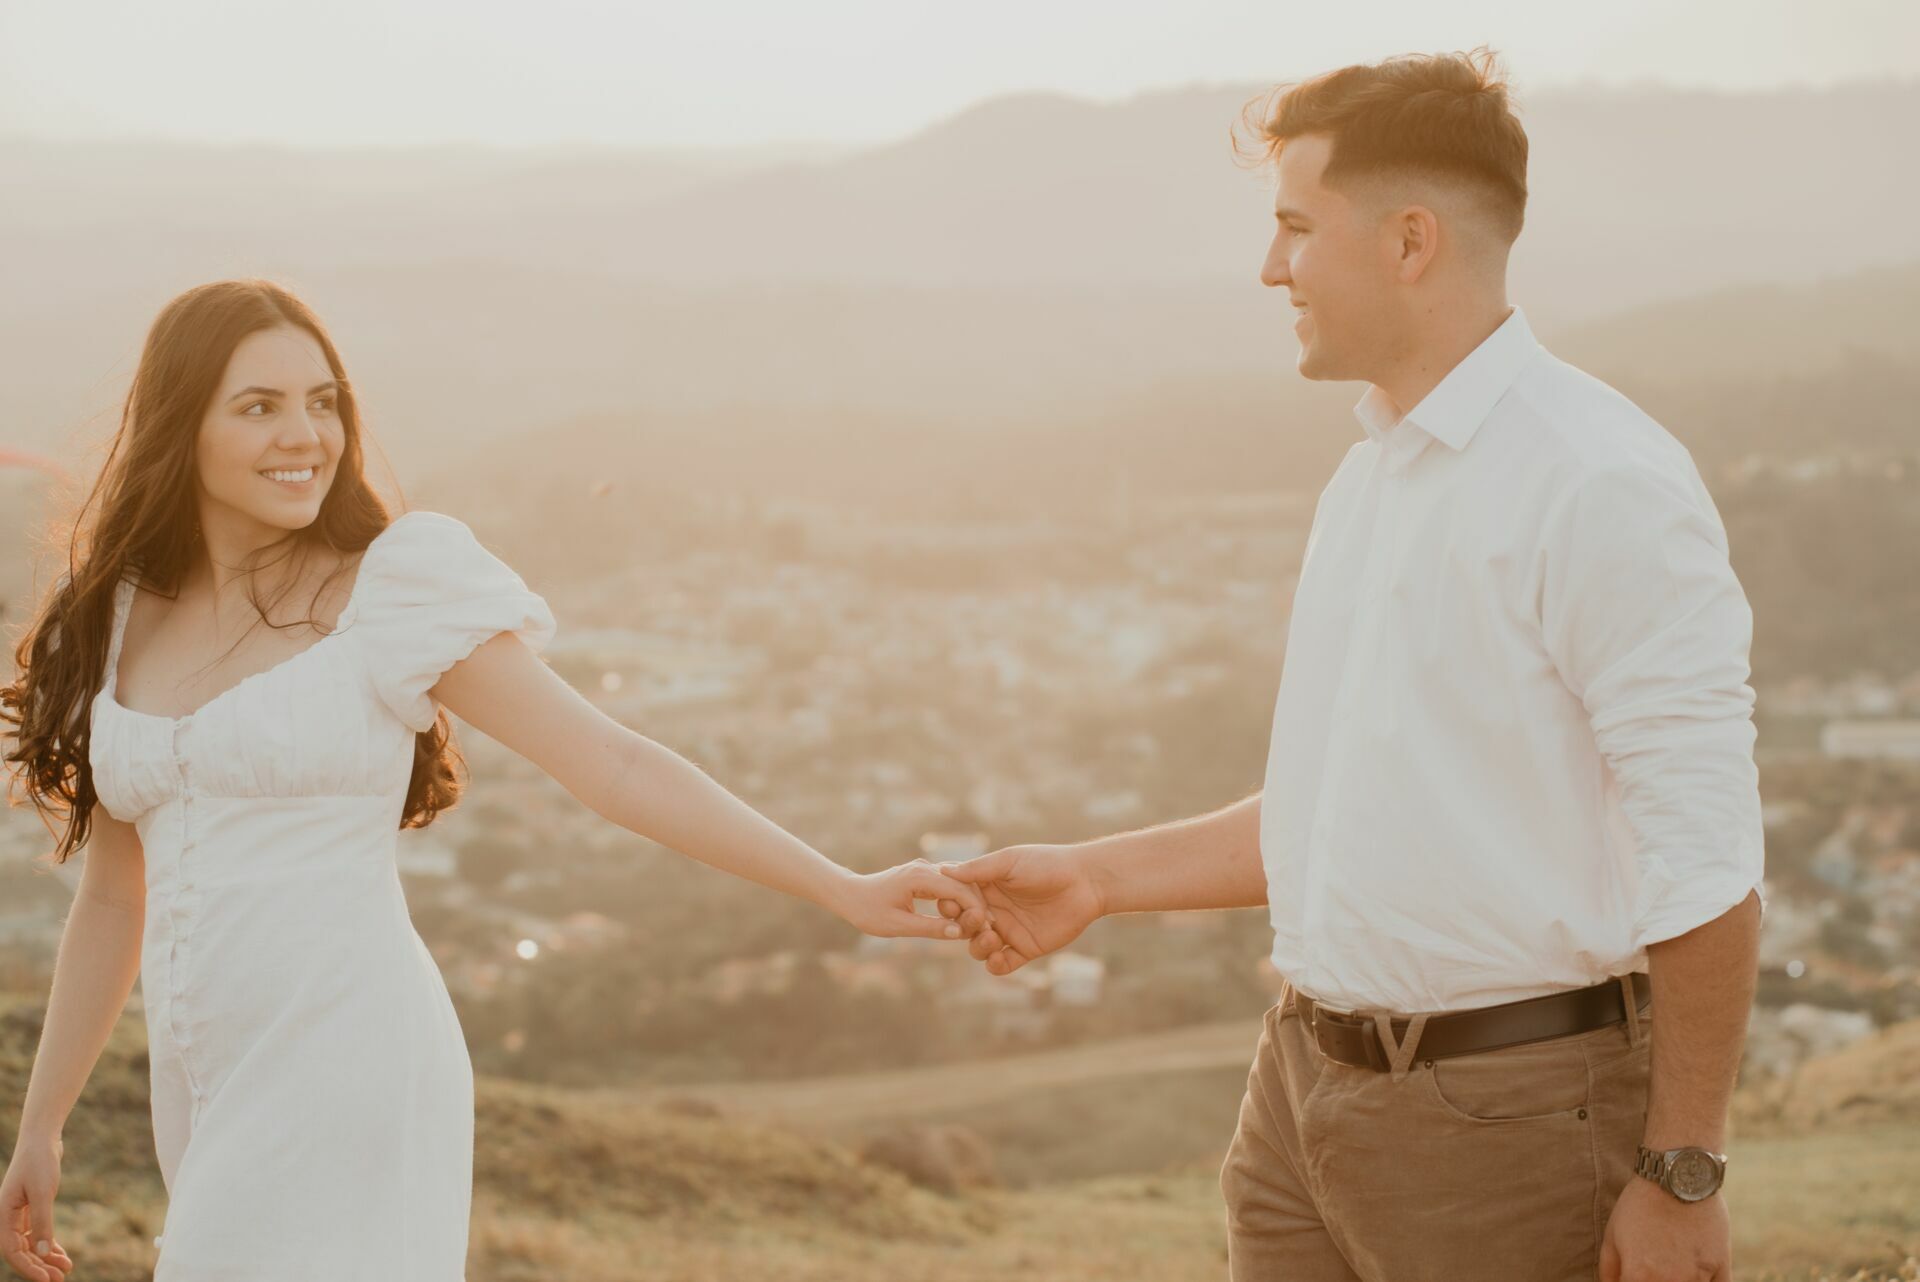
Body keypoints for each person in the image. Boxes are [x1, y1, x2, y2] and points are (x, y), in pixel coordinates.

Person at [939, 48, 1765, 1282]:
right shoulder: (1373, 474)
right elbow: (1337, 805)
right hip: (1298, 1094)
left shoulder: (1601, 482)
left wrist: (1683, 1169)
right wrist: (1095, 878)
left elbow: (1708, 860)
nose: (1270, 268)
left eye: (1295, 227)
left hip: (1510, 1119)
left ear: (1410, 241)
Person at [0, 278, 982, 1282]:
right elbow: (114, 897)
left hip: (353, 1057)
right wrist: (42, 1125)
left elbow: (613, 762)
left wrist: (842, 887)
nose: (306, 435)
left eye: (323, 401)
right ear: (183, 426)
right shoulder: (116, 615)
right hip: (206, 1084)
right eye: (259, 406)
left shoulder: (390, 586)